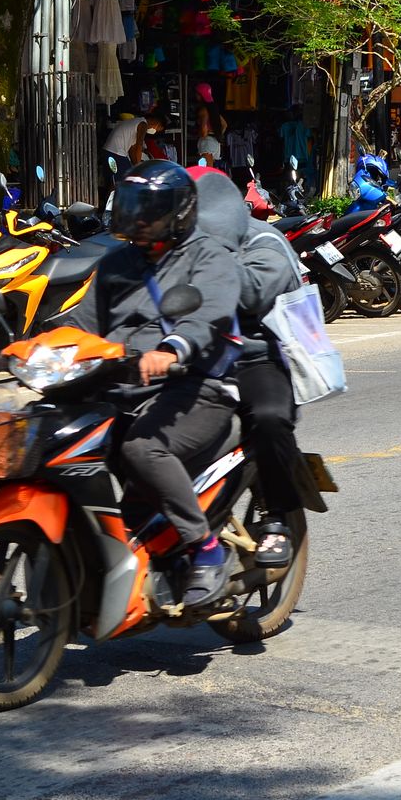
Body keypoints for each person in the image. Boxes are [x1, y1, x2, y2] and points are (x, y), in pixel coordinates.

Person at [87, 160, 243, 606]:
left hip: (198, 387)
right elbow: (83, 322)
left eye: (148, 209)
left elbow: (208, 313)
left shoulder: (208, 255)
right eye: (132, 207)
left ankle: (205, 549)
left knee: (141, 448)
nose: (137, 219)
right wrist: (35, 348)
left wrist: (173, 349)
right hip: (127, 388)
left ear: (179, 212)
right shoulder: (116, 262)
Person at [190, 167, 317, 566]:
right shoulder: (175, 244)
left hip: (258, 356)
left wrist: (209, 265)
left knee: (268, 418)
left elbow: (254, 292)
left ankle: (276, 516)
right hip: (192, 356)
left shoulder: (263, 240)